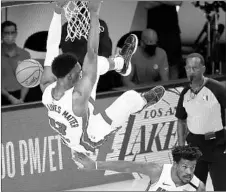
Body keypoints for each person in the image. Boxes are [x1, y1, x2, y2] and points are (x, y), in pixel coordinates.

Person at [40, 1, 165, 158]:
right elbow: (91, 51)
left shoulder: (47, 85)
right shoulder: (78, 96)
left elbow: (51, 46)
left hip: (75, 120)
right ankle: (144, 102)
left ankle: (121, 63)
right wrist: (94, 14)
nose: (81, 73)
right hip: (89, 136)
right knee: (130, 97)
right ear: (70, 76)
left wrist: (57, 12)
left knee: (95, 64)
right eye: (78, 72)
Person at [175, 53, 226, 191]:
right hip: (195, 146)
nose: (191, 72)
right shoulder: (185, 93)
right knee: (194, 187)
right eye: (189, 68)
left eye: (195, 68)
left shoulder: (217, 88)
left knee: (221, 187)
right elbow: (181, 120)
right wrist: (181, 148)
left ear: (203, 69)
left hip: (217, 144)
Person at [72, 145, 205, 191]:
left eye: (193, 167)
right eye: (185, 167)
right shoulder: (157, 171)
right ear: (175, 164)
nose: (189, 172)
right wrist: (95, 165)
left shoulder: (198, 187)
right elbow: (127, 167)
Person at [144, 1, 183, 80]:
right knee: (152, 63)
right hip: (153, 31)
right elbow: (147, 4)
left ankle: (173, 90)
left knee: (173, 64)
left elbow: (178, 1)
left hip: (171, 30)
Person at [1, 21, 30, 106]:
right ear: (1, 34)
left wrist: (21, 99)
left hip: (22, 96)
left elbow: (27, 81)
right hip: (3, 96)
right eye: (6, 33)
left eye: (12, 32)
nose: (10, 35)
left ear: (16, 34)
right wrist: (10, 98)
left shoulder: (25, 54)